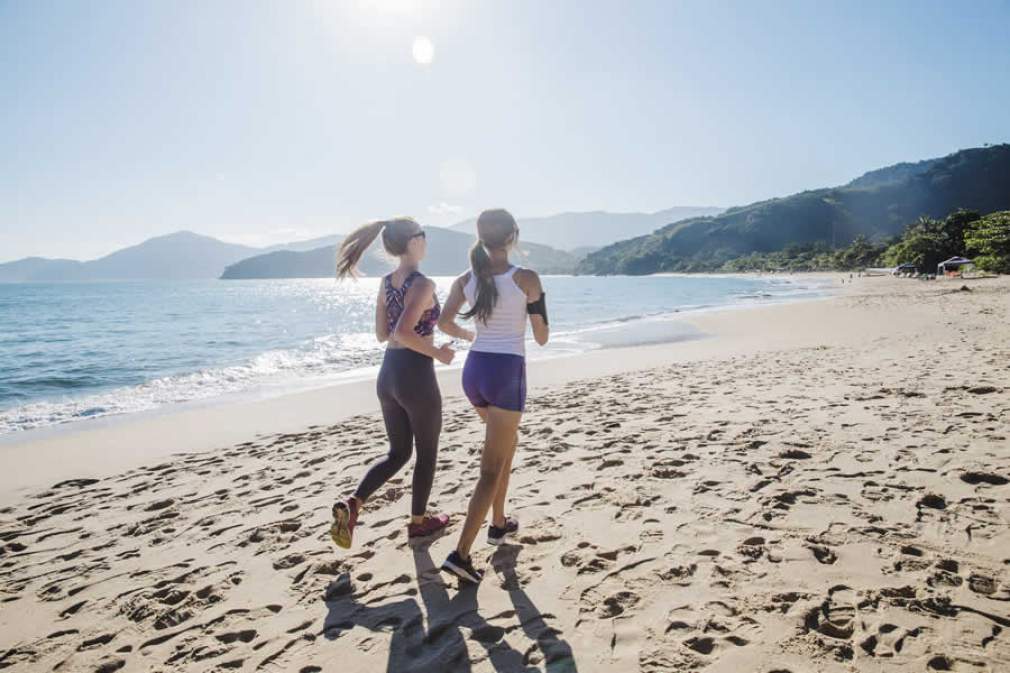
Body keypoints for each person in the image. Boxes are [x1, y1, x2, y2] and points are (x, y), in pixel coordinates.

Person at [436, 208, 550, 583]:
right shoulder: (526, 278)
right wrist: (536, 304)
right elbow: (542, 337)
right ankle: (460, 555)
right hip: (506, 374)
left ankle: (499, 523)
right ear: (512, 236)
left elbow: (444, 322)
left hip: (475, 372)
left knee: (506, 446)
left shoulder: (465, 279)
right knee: (489, 470)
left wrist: (471, 336)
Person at [330, 218, 455, 549]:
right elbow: (401, 332)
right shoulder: (423, 284)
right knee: (426, 453)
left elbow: (382, 334)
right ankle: (419, 524)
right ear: (413, 242)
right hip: (416, 376)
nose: (426, 240)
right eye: (423, 235)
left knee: (398, 453)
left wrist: (413, 333)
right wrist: (439, 353)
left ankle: (353, 503)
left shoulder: (386, 283)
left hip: (388, 376)